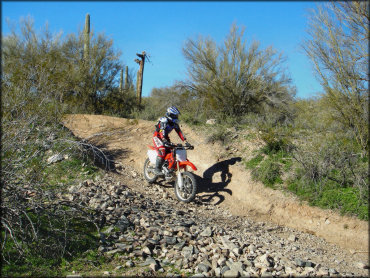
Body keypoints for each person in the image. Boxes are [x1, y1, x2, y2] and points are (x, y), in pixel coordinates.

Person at [152, 106, 187, 175]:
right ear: (169, 114)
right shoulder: (163, 120)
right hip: (158, 136)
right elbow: (162, 131)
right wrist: (164, 140)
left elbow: (179, 132)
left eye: (176, 116)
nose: (176, 117)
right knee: (162, 150)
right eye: (174, 116)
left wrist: (186, 142)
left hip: (165, 137)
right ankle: (157, 169)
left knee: (172, 150)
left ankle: (167, 167)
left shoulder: (174, 124)